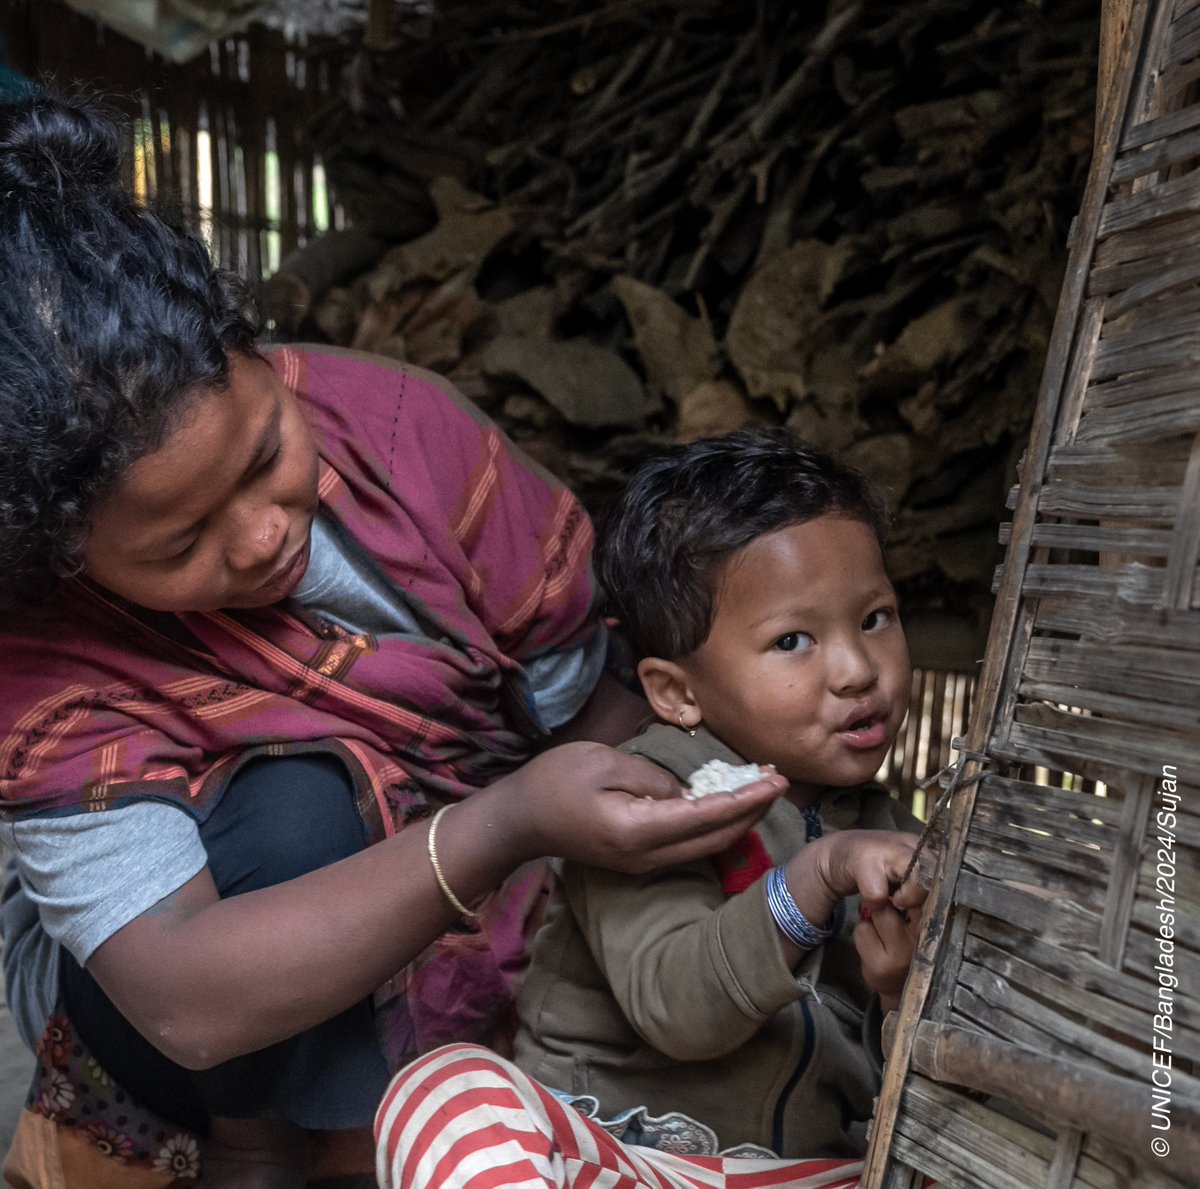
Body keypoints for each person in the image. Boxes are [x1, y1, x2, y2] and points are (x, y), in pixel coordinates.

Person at [0, 92, 788, 1189]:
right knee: (295, 806)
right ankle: (257, 1136)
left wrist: (591, 838)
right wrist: (500, 822)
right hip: (192, 1005)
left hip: (474, 883)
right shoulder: (43, 659)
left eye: (266, 448)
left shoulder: (408, 443)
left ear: (260, 356)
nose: (267, 531)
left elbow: (588, 707)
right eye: (182, 545)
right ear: (67, 556)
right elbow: (181, 996)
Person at [372, 431, 928, 1187]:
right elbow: (677, 1005)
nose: (858, 669)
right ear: (677, 692)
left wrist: (897, 991)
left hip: (799, 1174)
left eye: (875, 618)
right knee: (444, 1092)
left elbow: (914, 1077)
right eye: (793, 639)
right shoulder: (642, 800)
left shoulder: (901, 841)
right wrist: (816, 876)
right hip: (629, 1160)